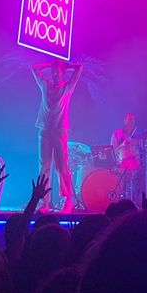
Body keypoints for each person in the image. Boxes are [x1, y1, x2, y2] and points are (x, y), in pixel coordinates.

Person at [32, 59, 83, 213]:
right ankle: (44, 203)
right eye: (53, 72)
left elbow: (79, 69)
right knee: (44, 168)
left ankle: (67, 201)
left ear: (62, 74)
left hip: (60, 131)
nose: (54, 75)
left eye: (57, 72)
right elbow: (34, 67)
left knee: (62, 167)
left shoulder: (67, 88)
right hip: (45, 130)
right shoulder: (45, 85)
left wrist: (66, 66)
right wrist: (50, 64)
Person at [111, 112, 144, 203]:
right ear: (124, 120)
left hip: (135, 164)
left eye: (133, 120)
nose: (131, 122)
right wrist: (122, 145)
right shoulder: (117, 134)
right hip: (122, 164)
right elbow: (112, 151)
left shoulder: (137, 136)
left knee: (143, 174)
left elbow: (140, 152)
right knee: (123, 187)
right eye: (129, 120)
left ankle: (139, 200)